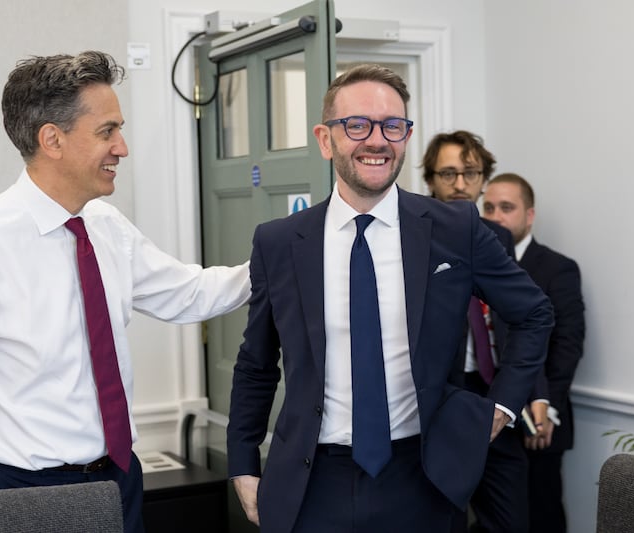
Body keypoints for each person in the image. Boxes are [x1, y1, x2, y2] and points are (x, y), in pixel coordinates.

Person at [0, 51, 250, 533]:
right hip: (22, 495)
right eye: (107, 131)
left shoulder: (106, 226)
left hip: (118, 480)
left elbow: (190, 293)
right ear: (51, 139)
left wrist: (282, 261)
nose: (123, 147)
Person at [226, 64, 553, 533]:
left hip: (423, 478)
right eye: (357, 125)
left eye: (392, 126)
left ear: (405, 135)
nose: (377, 140)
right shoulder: (280, 242)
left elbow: (534, 313)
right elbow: (256, 363)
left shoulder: (454, 229)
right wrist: (241, 463)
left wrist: (500, 408)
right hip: (311, 481)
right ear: (325, 139)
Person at [422, 130, 548, 533]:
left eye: (471, 173)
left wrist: (534, 392)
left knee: (511, 522)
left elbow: (521, 317)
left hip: (497, 396)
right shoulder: (412, 233)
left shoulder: (497, 237)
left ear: (483, 178)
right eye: (448, 173)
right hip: (440, 402)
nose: (461, 184)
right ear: (430, 179)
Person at [484, 173, 585, 533]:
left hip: (540, 420)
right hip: (494, 413)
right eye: (489, 207)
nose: (496, 216)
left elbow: (567, 344)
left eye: (507, 208)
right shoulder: (479, 264)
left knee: (542, 516)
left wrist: (547, 410)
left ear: (529, 215)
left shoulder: (557, 268)